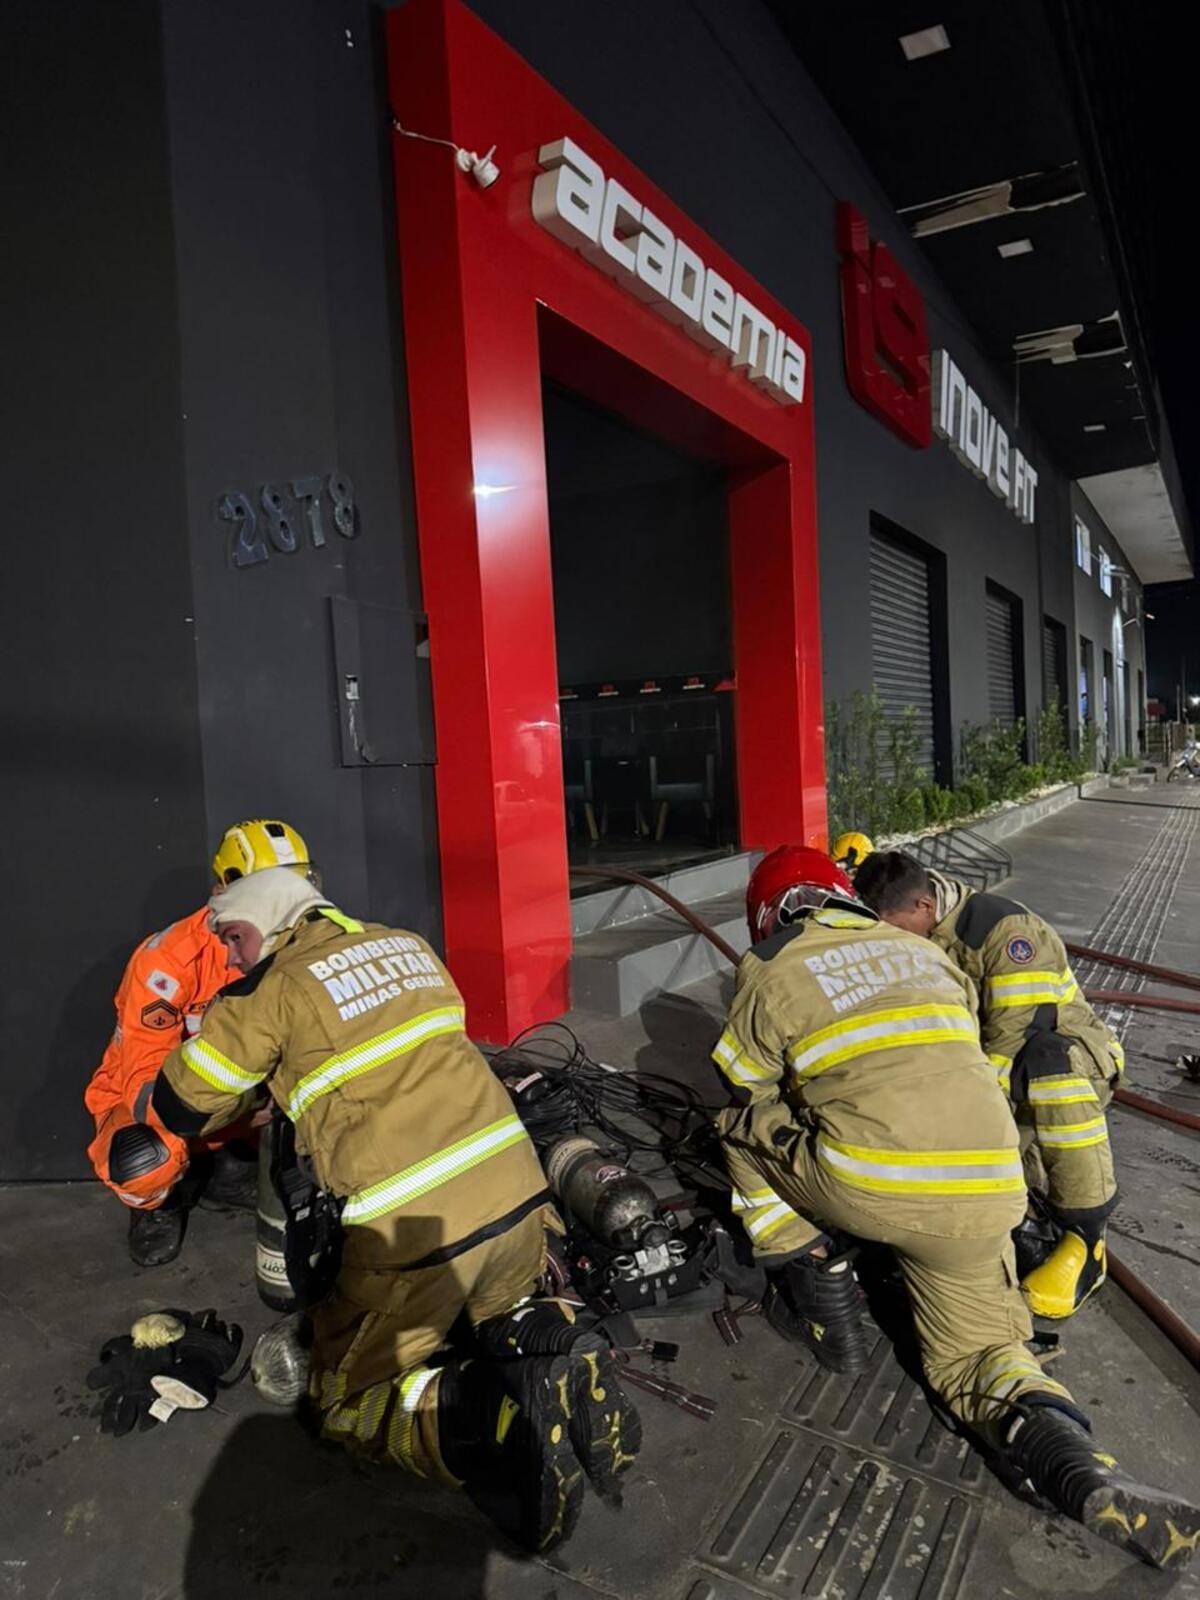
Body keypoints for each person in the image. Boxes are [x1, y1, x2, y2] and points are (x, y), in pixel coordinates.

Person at [712, 845, 1198, 1571]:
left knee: (739, 1128)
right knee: (978, 1355)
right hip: (989, 1189)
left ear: (768, 917)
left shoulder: (773, 965)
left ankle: (818, 1289)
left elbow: (743, 1081)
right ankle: (1071, 1459)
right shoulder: (926, 952)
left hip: (870, 1187)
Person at [148, 867, 639, 1553]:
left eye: (233, 936)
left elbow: (179, 1103)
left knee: (345, 1403)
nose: (230, 955)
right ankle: (560, 1340)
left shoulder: (270, 988)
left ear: (268, 917)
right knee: (499, 1312)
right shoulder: (408, 945)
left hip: (418, 1240)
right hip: (523, 1201)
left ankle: (498, 1417)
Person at [854, 851, 1120, 1319]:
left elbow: (1015, 1036)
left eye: (895, 929)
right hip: (996, 1075)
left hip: (1064, 1063)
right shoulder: (924, 934)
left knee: (1046, 1063)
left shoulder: (1005, 932)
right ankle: (1019, 1218)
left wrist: (967, 1123)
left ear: (923, 907)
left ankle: (1087, 1241)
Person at [85, 819, 313, 1267]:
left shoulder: (302, 946)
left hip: (241, 1104)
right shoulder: (167, 962)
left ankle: (227, 1171)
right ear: (222, 890)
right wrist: (240, 1105)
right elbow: (146, 1084)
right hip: (163, 1103)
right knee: (142, 1160)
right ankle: (156, 1207)